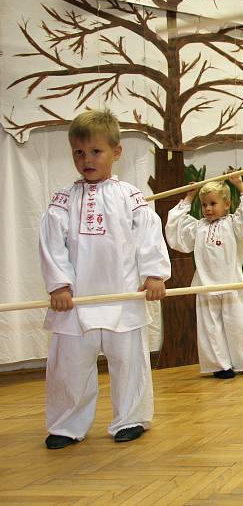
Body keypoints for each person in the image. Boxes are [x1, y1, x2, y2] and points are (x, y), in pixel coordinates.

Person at [39, 109, 171, 449]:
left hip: (123, 298)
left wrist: (154, 274)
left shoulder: (130, 196)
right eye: (79, 153)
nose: (86, 159)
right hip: (75, 303)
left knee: (129, 364)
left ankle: (131, 418)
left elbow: (149, 237)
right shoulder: (62, 200)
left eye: (95, 151)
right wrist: (59, 285)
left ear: (116, 152)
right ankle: (66, 425)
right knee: (69, 368)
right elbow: (53, 244)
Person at [165, 174, 243, 379]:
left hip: (232, 283)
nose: (208, 209)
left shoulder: (235, 224)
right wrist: (188, 197)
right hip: (205, 286)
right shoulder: (198, 227)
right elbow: (176, 229)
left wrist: (240, 185)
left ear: (227, 204)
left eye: (213, 203)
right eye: (204, 205)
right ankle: (220, 365)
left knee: (238, 323)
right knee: (210, 328)